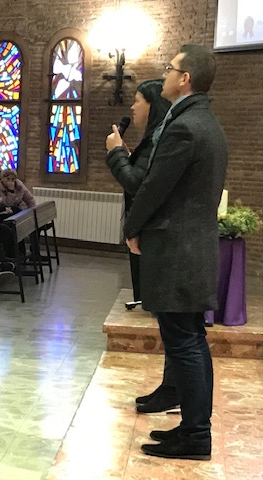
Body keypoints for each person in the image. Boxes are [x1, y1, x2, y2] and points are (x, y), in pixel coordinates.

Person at [121, 45, 228, 461]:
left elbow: (154, 187)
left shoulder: (185, 127)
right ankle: (191, 428)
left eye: (170, 68)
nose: (164, 73)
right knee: (190, 340)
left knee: (185, 343)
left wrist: (132, 227)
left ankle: (197, 435)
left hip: (178, 249)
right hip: (191, 246)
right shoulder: (205, 122)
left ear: (185, 79)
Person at [105, 80, 177, 416]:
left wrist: (116, 153)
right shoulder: (155, 138)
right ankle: (170, 389)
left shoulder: (165, 136)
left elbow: (137, 183)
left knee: (178, 332)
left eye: (137, 101)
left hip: (164, 239)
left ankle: (178, 398)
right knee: (172, 330)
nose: (132, 107)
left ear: (152, 104)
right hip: (155, 235)